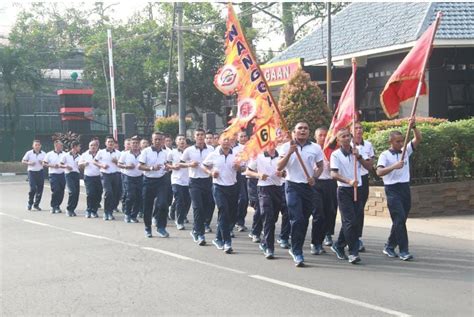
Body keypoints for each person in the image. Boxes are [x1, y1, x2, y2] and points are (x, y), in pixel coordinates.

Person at [277, 121, 323, 267]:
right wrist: (290, 152)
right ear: (294, 131)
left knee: (304, 220)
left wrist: (314, 177)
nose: (303, 130)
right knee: (296, 218)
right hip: (292, 186)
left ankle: (296, 245)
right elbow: (279, 167)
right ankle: (297, 251)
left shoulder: (315, 147)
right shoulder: (286, 146)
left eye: (306, 128)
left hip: (308, 187)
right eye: (300, 128)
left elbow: (320, 166)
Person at [376, 120, 422, 261]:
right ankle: (403, 250)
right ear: (391, 142)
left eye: (402, 141)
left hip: (404, 188)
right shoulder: (385, 155)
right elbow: (379, 172)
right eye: (397, 141)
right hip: (392, 189)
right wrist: (394, 166)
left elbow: (418, 138)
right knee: (400, 219)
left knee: (400, 220)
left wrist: (413, 127)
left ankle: (389, 246)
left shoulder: (405, 151)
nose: (401, 144)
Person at [329, 128, 372, 264]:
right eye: (343, 136)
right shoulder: (335, 155)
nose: (347, 138)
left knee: (355, 220)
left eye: (348, 136)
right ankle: (353, 252)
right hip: (344, 190)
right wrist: (348, 181)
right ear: (339, 140)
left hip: (358, 189)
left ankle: (339, 244)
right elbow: (333, 174)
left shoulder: (358, 151)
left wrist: (358, 157)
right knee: (349, 221)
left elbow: (369, 167)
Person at [246, 146, 285, 259]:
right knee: (268, 217)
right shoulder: (258, 155)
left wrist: (282, 174)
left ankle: (264, 242)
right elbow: (248, 171)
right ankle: (269, 248)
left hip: (278, 188)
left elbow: (287, 173)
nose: (271, 144)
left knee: (273, 219)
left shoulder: (281, 156)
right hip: (264, 188)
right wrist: (258, 175)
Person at [203, 136, 240, 254]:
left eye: (229, 140)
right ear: (219, 141)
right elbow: (204, 165)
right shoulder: (214, 154)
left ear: (232, 142)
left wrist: (238, 167)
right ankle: (227, 242)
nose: (226, 141)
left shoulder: (236, 155)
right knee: (223, 211)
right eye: (224, 139)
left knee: (230, 215)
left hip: (232, 187)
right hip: (218, 187)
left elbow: (243, 168)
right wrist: (211, 172)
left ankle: (218, 238)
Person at [181, 128, 214, 246]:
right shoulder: (189, 150)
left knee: (208, 206)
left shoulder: (211, 149)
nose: (200, 137)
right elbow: (180, 163)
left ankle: (198, 227)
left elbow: (215, 162)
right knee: (197, 207)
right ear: (194, 137)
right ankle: (199, 233)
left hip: (208, 181)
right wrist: (189, 164)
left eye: (202, 135)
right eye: (198, 135)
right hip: (194, 182)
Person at [138, 131, 170, 238]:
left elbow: (166, 165)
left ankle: (161, 227)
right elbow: (140, 166)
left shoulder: (165, 152)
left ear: (163, 140)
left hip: (161, 181)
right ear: (152, 140)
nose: (157, 141)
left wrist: (167, 168)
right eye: (155, 139)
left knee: (163, 204)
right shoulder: (146, 151)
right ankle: (148, 227)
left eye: (159, 139)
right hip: (148, 180)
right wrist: (151, 168)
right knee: (148, 206)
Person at [352, 122, 375, 252]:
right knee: (352, 211)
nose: (359, 130)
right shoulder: (348, 145)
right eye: (356, 128)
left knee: (360, 210)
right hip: (352, 180)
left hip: (363, 179)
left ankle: (357, 237)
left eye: (360, 128)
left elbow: (369, 165)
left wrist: (360, 157)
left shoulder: (368, 145)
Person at [314, 127, 338, 249]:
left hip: (330, 183)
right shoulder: (312, 149)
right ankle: (316, 241)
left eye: (325, 135)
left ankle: (328, 233)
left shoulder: (332, 150)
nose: (323, 138)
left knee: (331, 211)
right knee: (319, 213)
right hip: (316, 183)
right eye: (320, 135)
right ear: (315, 137)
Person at [94, 136, 121, 221]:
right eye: (109, 142)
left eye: (112, 142)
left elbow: (121, 164)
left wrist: (116, 162)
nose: (110, 143)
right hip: (105, 175)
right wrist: (102, 165)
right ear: (105, 143)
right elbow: (94, 161)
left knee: (114, 194)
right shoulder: (101, 152)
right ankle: (106, 212)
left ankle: (111, 212)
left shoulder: (118, 153)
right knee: (108, 192)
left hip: (116, 174)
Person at [167, 134, 191, 230]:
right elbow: (167, 165)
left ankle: (175, 211)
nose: (182, 141)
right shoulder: (172, 153)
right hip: (176, 180)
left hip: (188, 180)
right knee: (180, 199)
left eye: (183, 139)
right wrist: (173, 167)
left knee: (187, 201)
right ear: (176, 142)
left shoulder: (190, 152)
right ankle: (180, 221)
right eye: (179, 139)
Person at [118, 136, 143, 223]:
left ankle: (134, 215)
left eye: (137, 143)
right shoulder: (125, 154)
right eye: (133, 143)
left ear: (139, 144)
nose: (135, 145)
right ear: (130, 144)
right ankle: (127, 214)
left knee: (139, 197)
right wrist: (126, 166)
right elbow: (119, 164)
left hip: (140, 177)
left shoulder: (143, 153)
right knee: (131, 196)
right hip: (128, 177)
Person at [79, 140, 102, 218]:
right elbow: (79, 164)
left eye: (95, 145)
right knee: (90, 194)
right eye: (91, 145)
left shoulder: (101, 154)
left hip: (99, 177)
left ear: (97, 146)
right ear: (89, 146)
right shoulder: (85, 154)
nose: (93, 147)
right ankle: (89, 210)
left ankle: (94, 210)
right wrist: (83, 164)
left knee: (98, 194)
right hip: (89, 177)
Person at [22, 140, 46, 211]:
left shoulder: (44, 154)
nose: (37, 146)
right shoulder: (29, 153)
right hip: (31, 172)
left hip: (40, 172)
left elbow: (46, 162)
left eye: (38, 145)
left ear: (40, 146)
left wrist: (42, 162)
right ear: (33, 146)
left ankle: (36, 204)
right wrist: (29, 163)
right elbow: (23, 161)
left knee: (40, 189)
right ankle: (30, 203)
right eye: (36, 145)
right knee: (33, 188)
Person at [42, 140, 66, 214]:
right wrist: (52, 166)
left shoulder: (65, 154)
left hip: (62, 174)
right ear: (56, 146)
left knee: (61, 191)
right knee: (55, 190)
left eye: (62, 145)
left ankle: (58, 205)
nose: (61, 147)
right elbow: (44, 163)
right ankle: (53, 206)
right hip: (53, 174)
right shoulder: (49, 154)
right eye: (60, 145)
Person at [233, 131, 249, 232]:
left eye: (245, 136)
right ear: (238, 138)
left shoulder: (252, 147)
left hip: (251, 176)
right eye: (241, 136)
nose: (243, 138)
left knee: (248, 200)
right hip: (239, 176)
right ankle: (239, 222)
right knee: (242, 199)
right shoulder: (234, 149)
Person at [60, 140, 81, 217]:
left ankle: (72, 209)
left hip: (76, 174)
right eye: (79, 146)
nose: (80, 148)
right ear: (74, 147)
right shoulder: (66, 155)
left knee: (77, 193)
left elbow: (80, 166)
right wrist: (66, 166)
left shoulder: (80, 156)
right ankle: (68, 209)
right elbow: (60, 164)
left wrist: (81, 166)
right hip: (68, 174)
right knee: (72, 191)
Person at [119, 138, 132, 213]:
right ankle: (124, 206)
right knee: (125, 191)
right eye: (128, 144)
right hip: (124, 174)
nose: (129, 145)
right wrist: (126, 166)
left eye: (130, 144)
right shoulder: (121, 153)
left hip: (133, 175)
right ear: (124, 145)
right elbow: (119, 163)